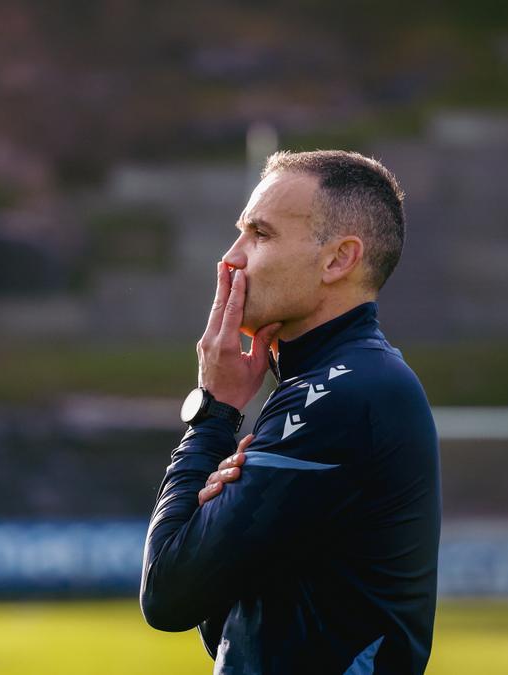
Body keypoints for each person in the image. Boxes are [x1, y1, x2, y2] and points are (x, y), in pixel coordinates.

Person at [140, 150, 441, 674]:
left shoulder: (342, 393)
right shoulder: (329, 383)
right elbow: (236, 629)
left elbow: (168, 593)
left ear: (338, 260)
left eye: (260, 234)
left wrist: (213, 414)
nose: (230, 259)